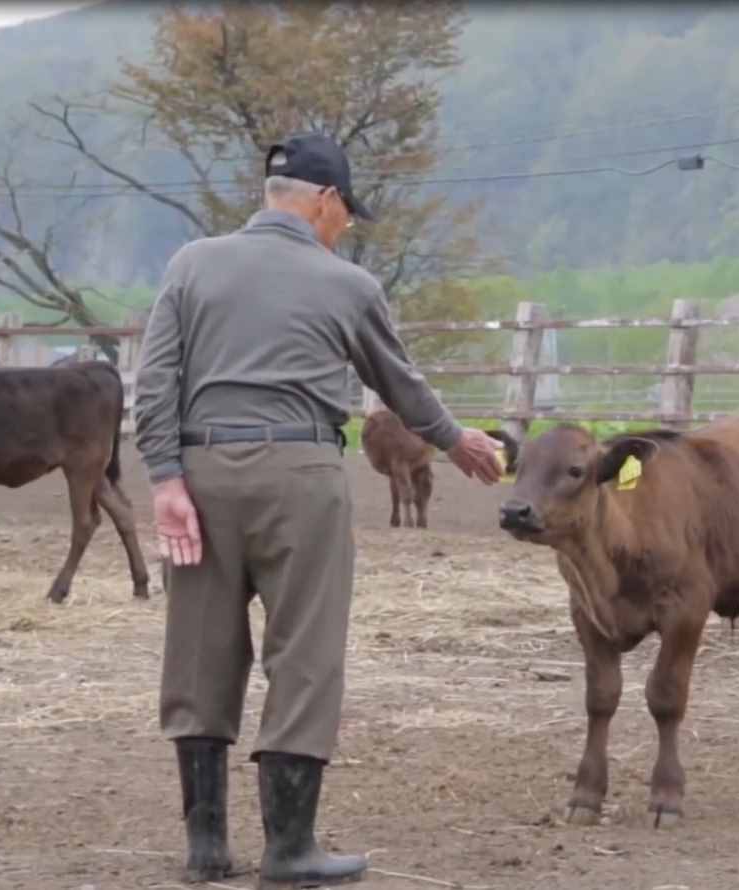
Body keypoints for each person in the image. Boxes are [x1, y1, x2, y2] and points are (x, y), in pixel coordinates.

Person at [133, 131, 502, 887]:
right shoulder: (348, 284)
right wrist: (456, 439)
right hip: (301, 472)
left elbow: (155, 380)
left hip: (201, 471)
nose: (345, 227)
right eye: (345, 213)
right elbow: (400, 384)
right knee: (304, 651)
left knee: (199, 646)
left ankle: (206, 849)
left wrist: (167, 479)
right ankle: (290, 849)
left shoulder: (192, 263)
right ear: (324, 201)